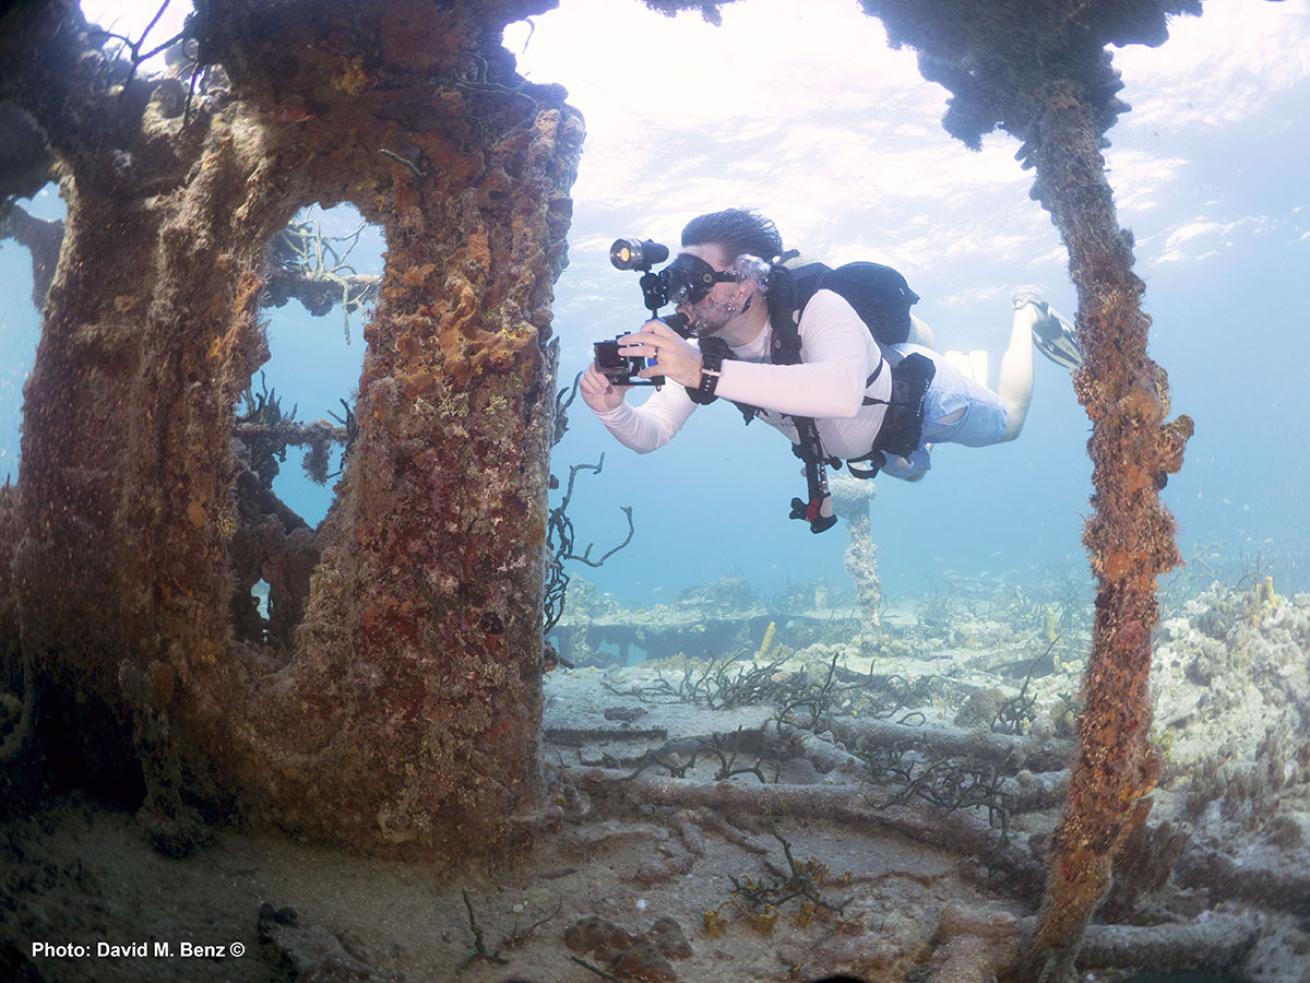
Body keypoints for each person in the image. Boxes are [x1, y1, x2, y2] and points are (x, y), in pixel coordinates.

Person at [580, 208, 1080, 498]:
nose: (686, 298)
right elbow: (653, 433)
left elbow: (839, 394)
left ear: (750, 278)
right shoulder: (704, 353)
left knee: (1010, 423)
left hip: (928, 404)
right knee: (913, 475)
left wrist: (702, 371)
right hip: (877, 448)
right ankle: (922, 349)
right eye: (679, 284)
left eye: (700, 282)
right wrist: (614, 411)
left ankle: (1026, 313)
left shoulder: (820, 306)